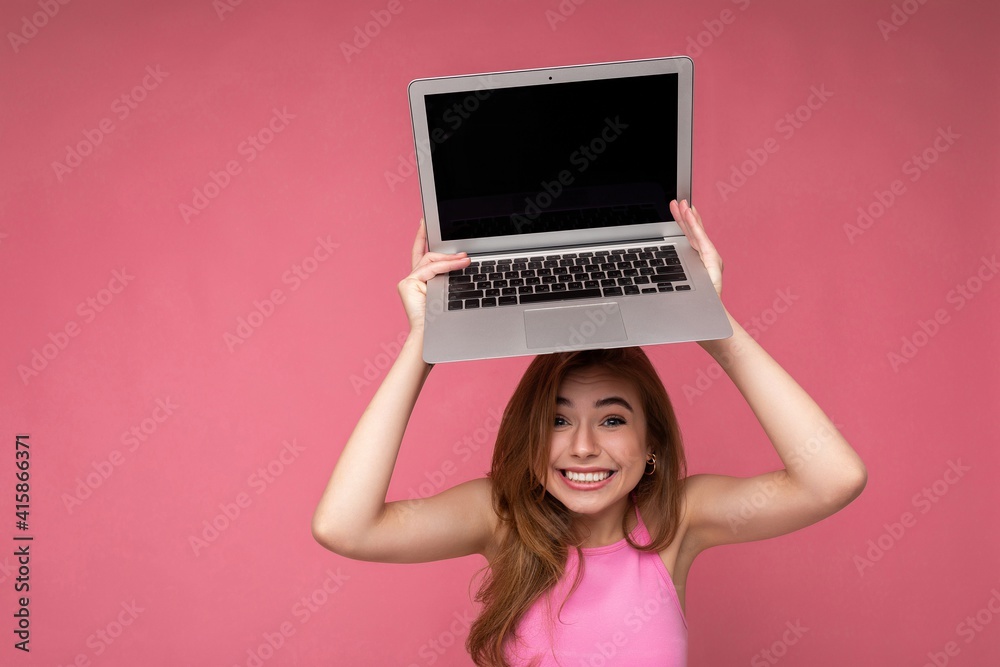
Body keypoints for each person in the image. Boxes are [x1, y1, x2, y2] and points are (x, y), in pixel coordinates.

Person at [311, 199, 867, 666]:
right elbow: (345, 526)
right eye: (557, 419)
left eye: (612, 419)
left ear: (651, 445)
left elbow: (833, 478)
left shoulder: (677, 524)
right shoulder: (499, 519)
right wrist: (425, 343)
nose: (582, 445)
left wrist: (711, 321)